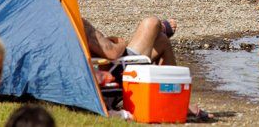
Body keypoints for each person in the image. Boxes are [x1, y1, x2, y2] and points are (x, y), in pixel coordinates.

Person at [83, 17, 212, 121]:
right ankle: (161, 28)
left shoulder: (71, 29)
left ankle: (177, 103)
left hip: (101, 81)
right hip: (116, 77)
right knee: (151, 23)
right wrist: (120, 41)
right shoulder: (79, 23)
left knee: (162, 41)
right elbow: (113, 52)